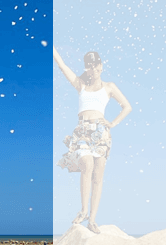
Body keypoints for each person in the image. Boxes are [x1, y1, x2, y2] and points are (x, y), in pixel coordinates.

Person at [54, 48, 132, 234]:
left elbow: (127, 106)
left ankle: (93, 220)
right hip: (82, 132)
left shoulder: (109, 87)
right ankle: (83, 210)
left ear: (101, 66)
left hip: (101, 133)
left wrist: (112, 123)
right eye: (89, 66)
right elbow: (62, 66)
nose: (93, 69)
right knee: (86, 163)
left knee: (98, 176)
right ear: (86, 68)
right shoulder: (81, 85)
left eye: (96, 65)